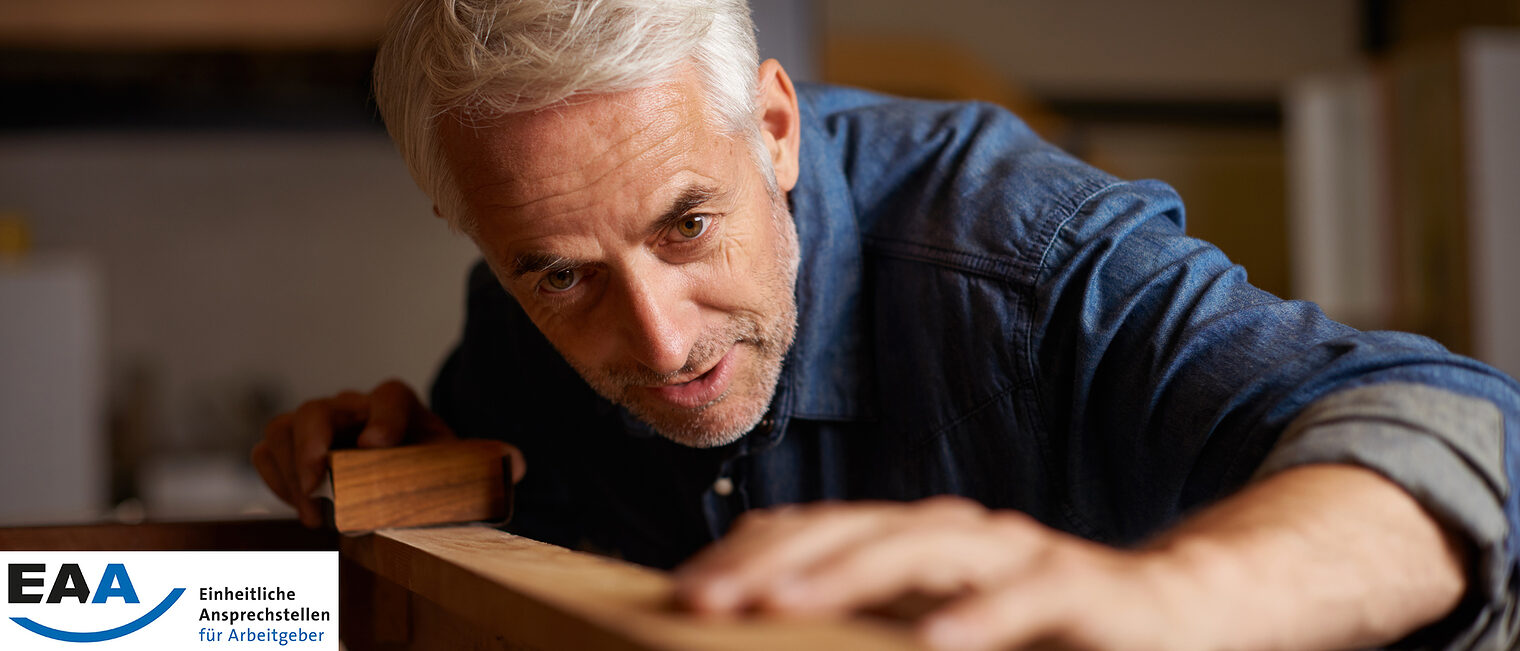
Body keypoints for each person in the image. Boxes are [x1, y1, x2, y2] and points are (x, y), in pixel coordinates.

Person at [251, 1, 1520, 648]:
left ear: (775, 129)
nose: (655, 337)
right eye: (559, 276)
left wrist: (1169, 598)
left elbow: (1463, 432)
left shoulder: (1024, 259)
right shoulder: (520, 312)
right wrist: (403, 461)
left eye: (686, 227)